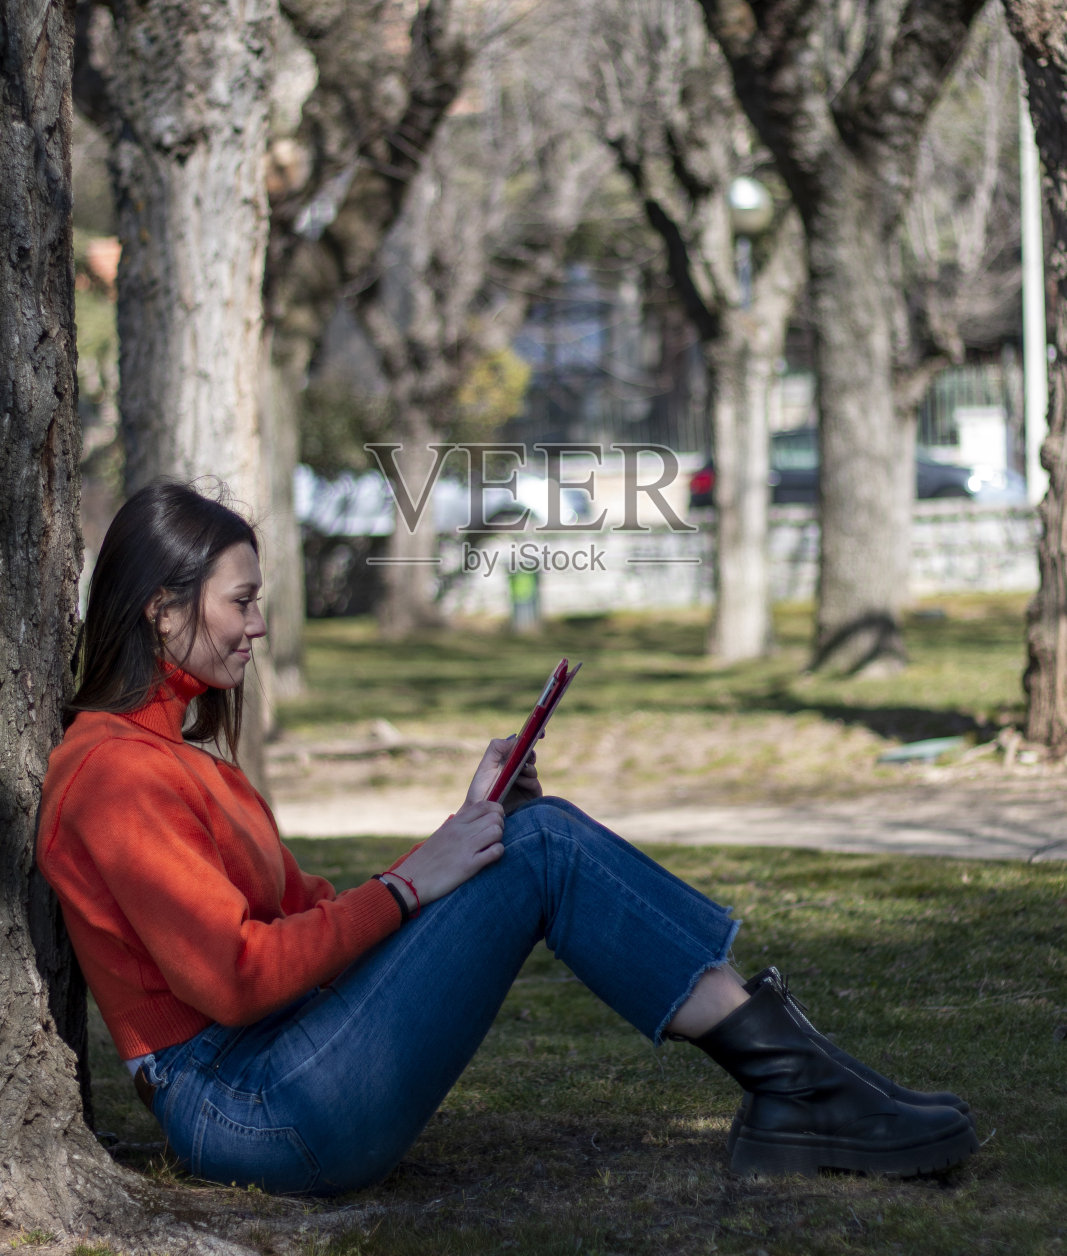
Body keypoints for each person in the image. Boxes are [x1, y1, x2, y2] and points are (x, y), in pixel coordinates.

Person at [37, 482, 977, 1196]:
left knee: (528, 830)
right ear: (162, 610)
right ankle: (808, 1091)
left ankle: (806, 1090)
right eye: (240, 602)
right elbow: (237, 978)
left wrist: (457, 837)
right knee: (544, 845)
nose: (258, 627)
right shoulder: (114, 772)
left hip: (282, 1067)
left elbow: (312, 920)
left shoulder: (186, 756)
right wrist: (416, 885)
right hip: (245, 1108)